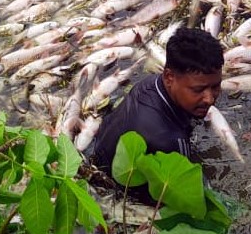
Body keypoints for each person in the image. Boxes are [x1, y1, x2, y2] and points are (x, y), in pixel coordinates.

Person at [91, 27, 224, 177]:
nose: (210, 98)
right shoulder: (169, 142)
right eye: (198, 90)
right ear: (169, 77)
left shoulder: (149, 84)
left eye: (215, 86)